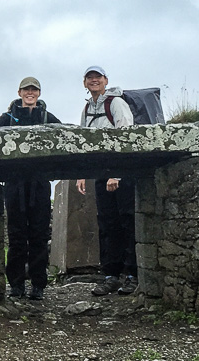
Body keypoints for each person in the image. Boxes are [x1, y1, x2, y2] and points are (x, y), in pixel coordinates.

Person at [0, 76, 61, 301]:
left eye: (34, 90)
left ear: (39, 93)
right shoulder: (7, 118)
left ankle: (38, 285)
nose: (30, 93)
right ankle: (16, 284)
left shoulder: (48, 117)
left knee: (39, 235)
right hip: (14, 185)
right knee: (17, 236)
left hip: (39, 185)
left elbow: (64, 139)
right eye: (26, 89)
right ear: (20, 92)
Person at [76, 65, 138, 296]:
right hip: (102, 175)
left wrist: (117, 174)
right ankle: (111, 275)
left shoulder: (116, 104)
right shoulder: (86, 109)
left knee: (127, 223)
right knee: (107, 225)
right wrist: (83, 173)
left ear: (105, 80)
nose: (94, 81)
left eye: (98, 77)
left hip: (121, 174)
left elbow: (127, 136)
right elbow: (83, 142)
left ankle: (131, 275)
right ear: (85, 83)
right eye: (90, 78)